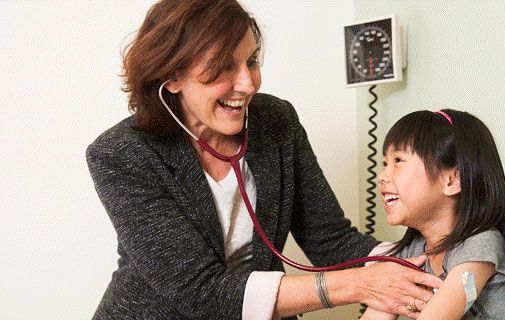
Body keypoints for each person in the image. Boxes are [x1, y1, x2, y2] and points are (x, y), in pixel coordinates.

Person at [86, 0, 441, 319]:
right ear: (172, 77)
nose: (248, 83)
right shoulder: (121, 155)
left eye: (251, 61)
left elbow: (331, 241)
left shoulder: (275, 121)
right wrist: (361, 284)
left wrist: (425, 257)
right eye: (223, 67)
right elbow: (203, 291)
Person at [361, 110, 505, 319]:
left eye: (398, 160)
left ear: (452, 180)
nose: (382, 176)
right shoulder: (409, 254)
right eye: (385, 163)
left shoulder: (481, 246)